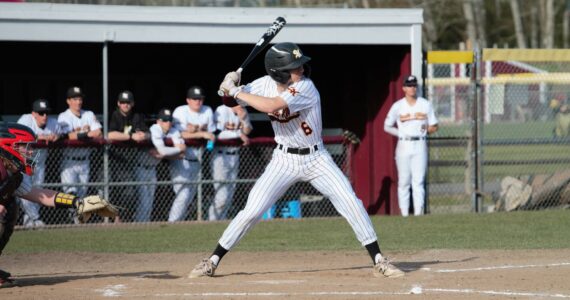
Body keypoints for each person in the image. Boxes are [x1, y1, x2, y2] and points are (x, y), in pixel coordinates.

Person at [189, 42, 404, 278]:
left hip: (316, 158)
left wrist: (236, 90)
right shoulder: (263, 84)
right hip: (283, 159)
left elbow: (271, 105)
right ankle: (212, 260)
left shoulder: (306, 87)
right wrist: (228, 87)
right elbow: (231, 102)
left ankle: (379, 259)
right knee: (252, 210)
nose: (301, 69)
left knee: (350, 202)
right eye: (295, 66)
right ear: (278, 71)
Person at [0, 122, 117, 287]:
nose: (31, 151)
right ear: (8, 146)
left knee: (10, 206)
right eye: (25, 146)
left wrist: (78, 202)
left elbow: (40, 195)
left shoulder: (13, 174)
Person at [384, 75, 439, 217]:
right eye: (409, 85)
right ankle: (404, 214)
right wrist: (400, 133)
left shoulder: (425, 104)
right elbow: (387, 126)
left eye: (414, 85)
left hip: (419, 143)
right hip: (403, 144)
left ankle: (418, 213)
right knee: (403, 181)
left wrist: (426, 129)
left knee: (418, 180)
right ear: (404, 88)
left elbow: (434, 125)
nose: (412, 88)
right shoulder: (398, 106)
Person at [107, 90, 154, 222]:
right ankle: (114, 218)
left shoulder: (137, 117)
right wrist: (130, 136)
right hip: (114, 159)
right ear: (118, 103)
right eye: (123, 102)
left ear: (132, 103)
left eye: (128, 102)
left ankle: (121, 218)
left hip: (130, 160)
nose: (125, 105)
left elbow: (148, 133)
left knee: (129, 192)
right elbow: (109, 134)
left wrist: (143, 135)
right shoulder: (114, 115)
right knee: (112, 190)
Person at [170, 86, 215, 222]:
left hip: (198, 160)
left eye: (200, 99)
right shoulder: (180, 111)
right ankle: (172, 224)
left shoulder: (207, 110)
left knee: (189, 197)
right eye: (195, 99)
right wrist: (200, 132)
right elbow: (178, 133)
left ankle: (178, 223)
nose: (198, 101)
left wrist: (196, 131)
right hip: (181, 160)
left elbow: (211, 133)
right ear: (188, 100)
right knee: (182, 195)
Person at [57, 86, 102, 223]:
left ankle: (77, 223)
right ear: (68, 101)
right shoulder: (64, 116)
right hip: (69, 161)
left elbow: (98, 132)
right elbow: (67, 136)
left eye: (80, 99)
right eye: (75, 99)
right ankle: (73, 221)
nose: (78, 102)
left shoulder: (88, 114)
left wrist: (80, 135)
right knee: (71, 193)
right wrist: (87, 134)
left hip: (85, 161)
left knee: (81, 196)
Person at [16, 99, 60, 228]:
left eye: (46, 113)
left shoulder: (52, 123)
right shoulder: (26, 119)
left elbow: (61, 132)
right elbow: (18, 136)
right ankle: (35, 219)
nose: (44, 116)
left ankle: (29, 221)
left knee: (39, 192)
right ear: (33, 113)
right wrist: (41, 137)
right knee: (25, 190)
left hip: (40, 164)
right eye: (41, 113)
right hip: (24, 163)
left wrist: (58, 136)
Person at [209, 104, 252, 221]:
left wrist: (244, 119)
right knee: (221, 196)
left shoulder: (243, 111)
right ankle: (212, 221)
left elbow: (247, 131)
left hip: (235, 156)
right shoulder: (222, 109)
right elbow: (217, 133)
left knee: (229, 194)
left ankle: (220, 221)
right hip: (220, 156)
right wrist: (238, 134)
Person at [149, 108, 187, 221]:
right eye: (165, 120)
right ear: (158, 121)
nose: (168, 123)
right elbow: (163, 151)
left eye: (169, 120)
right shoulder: (155, 128)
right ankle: (136, 225)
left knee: (149, 201)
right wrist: (176, 150)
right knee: (144, 201)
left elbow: (182, 153)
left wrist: (169, 153)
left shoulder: (174, 130)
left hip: (153, 167)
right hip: (139, 166)